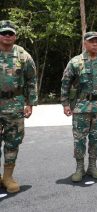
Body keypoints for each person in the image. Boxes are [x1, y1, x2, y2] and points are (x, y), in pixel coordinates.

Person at [61, 32, 97, 182]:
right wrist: (66, 104)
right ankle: (79, 167)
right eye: (91, 41)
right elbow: (65, 83)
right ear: (85, 43)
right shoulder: (75, 62)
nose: (95, 44)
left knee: (96, 138)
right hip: (81, 106)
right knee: (79, 139)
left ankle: (92, 165)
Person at [0, 20, 37, 193]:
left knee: (13, 142)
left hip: (14, 104)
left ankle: (8, 177)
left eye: (10, 33)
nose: (7, 36)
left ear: (15, 36)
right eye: (4, 33)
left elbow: (31, 79)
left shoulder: (23, 55)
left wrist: (30, 103)